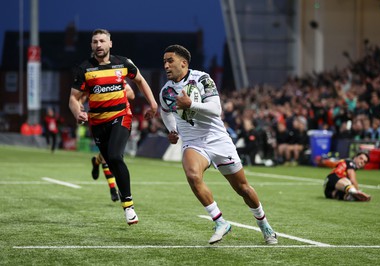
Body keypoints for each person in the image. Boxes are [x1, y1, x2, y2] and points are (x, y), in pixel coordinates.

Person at [159, 44, 278, 245]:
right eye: (164, 62)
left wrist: (191, 104)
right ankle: (220, 222)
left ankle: (264, 224)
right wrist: (172, 130)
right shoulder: (166, 90)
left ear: (183, 63)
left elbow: (216, 109)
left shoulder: (202, 79)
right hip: (193, 142)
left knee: (242, 188)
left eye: (170, 61)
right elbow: (164, 110)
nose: (166, 65)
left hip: (217, 139)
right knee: (192, 175)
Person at [69, 29, 158, 225]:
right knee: (110, 160)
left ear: (110, 44)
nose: (98, 45)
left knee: (116, 157)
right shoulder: (84, 69)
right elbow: (73, 99)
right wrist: (78, 112)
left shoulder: (124, 63)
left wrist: (153, 104)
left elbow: (140, 81)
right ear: (91, 45)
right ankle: (100, 166)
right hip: (97, 123)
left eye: (102, 41)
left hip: (121, 117)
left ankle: (128, 206)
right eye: (94, 42)